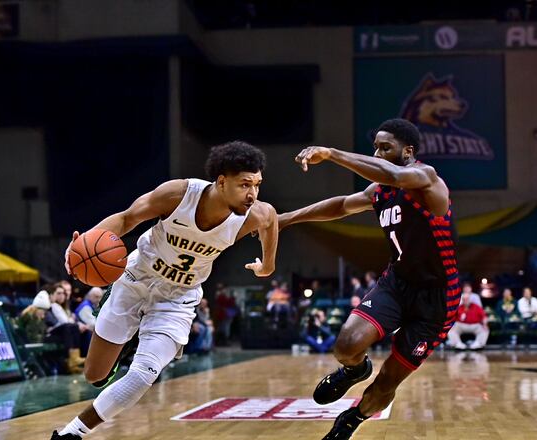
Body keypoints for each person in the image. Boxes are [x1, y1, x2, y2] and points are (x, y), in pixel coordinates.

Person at [52, 140, 278, 439]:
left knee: (142, 375)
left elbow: (271, 221)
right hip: (137, 279)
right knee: (95, 374)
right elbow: (127, 218)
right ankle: (131, 339)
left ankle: (71, 434)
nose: (252, 194)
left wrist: (267, 266)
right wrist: (84, 243)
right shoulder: (178, 194)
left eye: (257, 185)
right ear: (222, 181)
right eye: (245, 185)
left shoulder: (255, 213)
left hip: (178, 298)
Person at [277, 118, 458, 439]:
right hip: (397, 284)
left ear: (408, 151)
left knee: (387, 381)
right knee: (346, 345)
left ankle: (353, 418)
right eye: (375, 147)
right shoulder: (379, 191)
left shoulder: (426, 178)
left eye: (385, 148)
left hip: (437, 299)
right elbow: (341, 206)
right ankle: (355, 369)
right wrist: (287, 218)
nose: (376, 154)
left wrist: (331, 153)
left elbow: (395, 175)